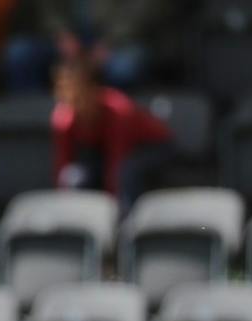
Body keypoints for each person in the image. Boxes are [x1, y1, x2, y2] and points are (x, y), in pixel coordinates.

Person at [52, 56, 171, 209]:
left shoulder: (119, 110)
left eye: (76, 88)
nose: (68, 95)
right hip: (105, 153)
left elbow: (117, 162)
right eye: (62, 88)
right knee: (74, 176)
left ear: (93, 88)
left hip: (152, 146)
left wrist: (111, 213)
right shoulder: (63, 117)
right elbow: (63, 166)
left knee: (127, 172)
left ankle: (127, 223)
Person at [4, 0, 168, 91]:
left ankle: (115, 124)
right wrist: (61, 34)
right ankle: (38, 126)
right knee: (20, 54)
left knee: (125, 69)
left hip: (121, 41)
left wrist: (110, 42)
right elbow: (47, 8)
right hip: (65, 42)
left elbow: (146, 9)